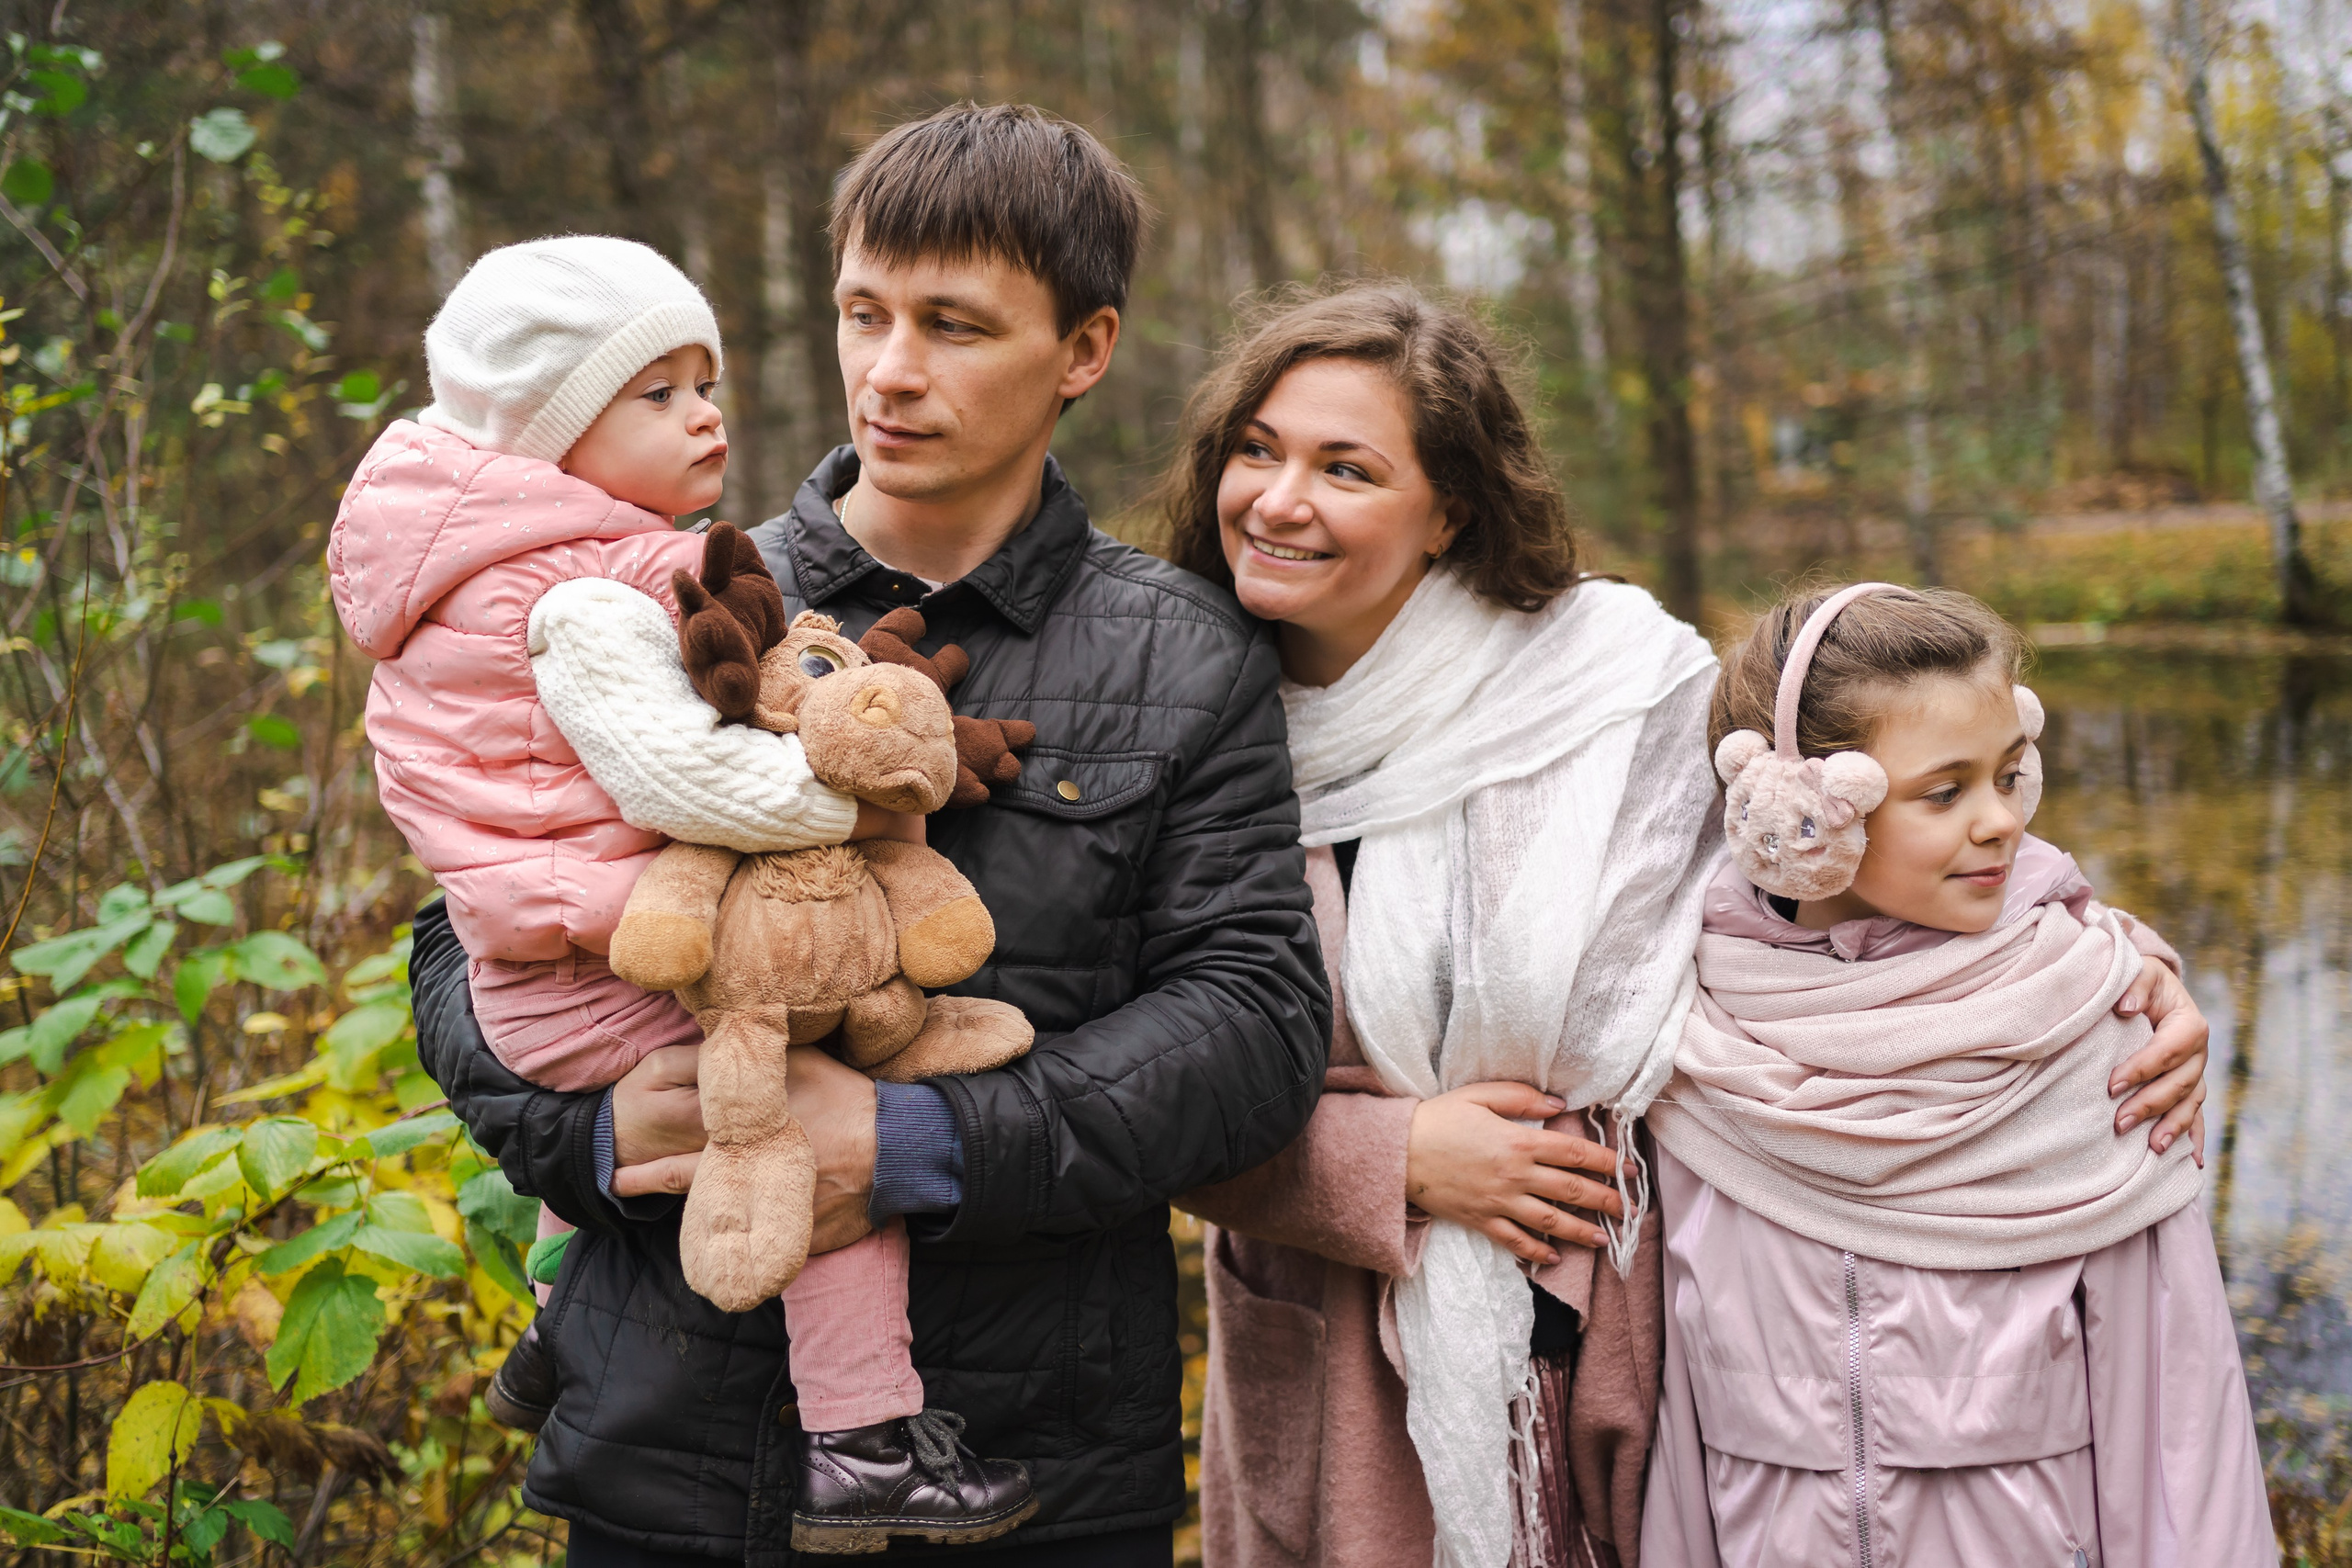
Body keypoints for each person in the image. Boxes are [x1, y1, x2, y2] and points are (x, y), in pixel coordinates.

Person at [403, 104, 1330, 1567]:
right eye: (864, 312)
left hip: (1032, 1475)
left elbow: (1254, 1024)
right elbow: (460, 928)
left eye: (953, 324)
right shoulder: (673, 593)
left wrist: (913, 1142)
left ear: (1084, 348)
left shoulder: (1187, 651)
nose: (890, 369)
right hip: (665, 1454)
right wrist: (587, 1131)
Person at [1163, 284, 2216, 1568]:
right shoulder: (1178, 719)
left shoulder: (1616, 682)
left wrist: (2112, 963)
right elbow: (1129, 1089)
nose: (1278, 499)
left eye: (1345, 467)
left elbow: (1841, 861)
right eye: (1257, 449)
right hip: (1335, 1370)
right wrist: (1389, 1161)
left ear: (1450, 507)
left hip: (1617, 1358)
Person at [329, 234, 1041, 1551]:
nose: (705, 414)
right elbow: (684, 780)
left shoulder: (487, 574)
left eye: (704, 382)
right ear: (553, 431)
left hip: (547, 957)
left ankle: (552, 1324)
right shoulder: (581, 598)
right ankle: (863, 1440)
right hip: (603, 961)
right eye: (656, 394)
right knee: (811, 1138)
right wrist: (869, 795)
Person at [1641, 582, 2269, 1565]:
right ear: (1797, 806)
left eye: (2010, 775)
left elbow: (2179, 1433)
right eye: (1944, 792)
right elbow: (1677, 1435)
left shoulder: (2094, 1035)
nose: (2000, 821)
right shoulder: (1687, 1045)